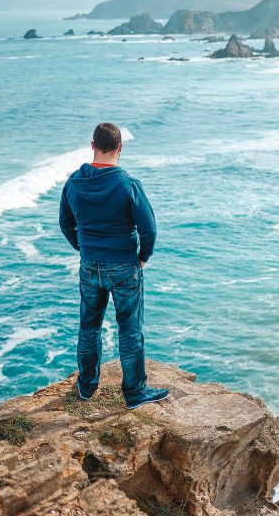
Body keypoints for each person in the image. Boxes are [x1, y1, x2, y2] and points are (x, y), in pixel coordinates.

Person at [59, 123, 168, 409]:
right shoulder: (128, 185)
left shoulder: (73, 183)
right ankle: (134, 393)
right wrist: (143, 256)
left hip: (89, 266)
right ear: (120, 147)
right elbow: (149, 229)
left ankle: (86, 387)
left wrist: (83, 249)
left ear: (92, 145)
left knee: (88, 326)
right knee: (130, 330)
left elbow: (65, 224)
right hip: (123, 266)